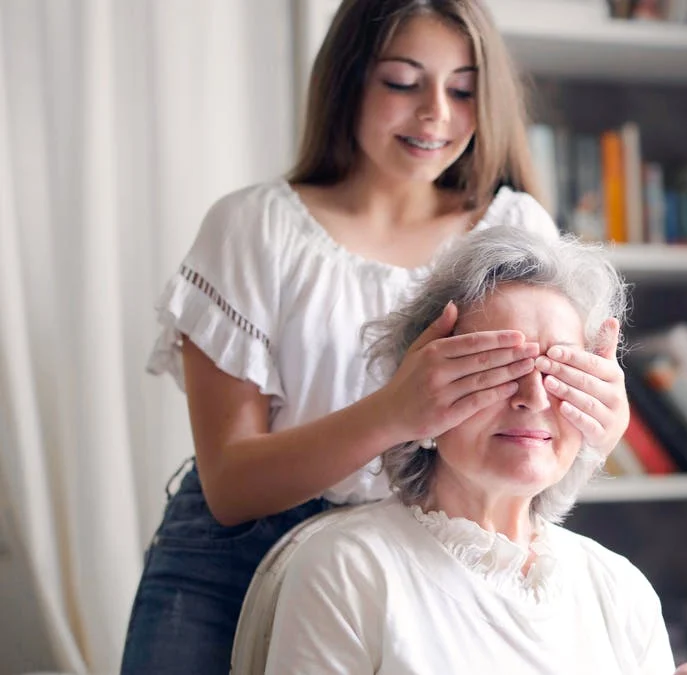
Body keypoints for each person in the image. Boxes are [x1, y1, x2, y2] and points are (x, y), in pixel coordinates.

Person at [119, 1, 632, 673]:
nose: (435, 115)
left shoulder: (515, 225)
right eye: (401, 81)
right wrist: (394, 413)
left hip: (423, 549)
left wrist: (602, 424)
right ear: (348, 81)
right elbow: (230, 485)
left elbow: (531, 436)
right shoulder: (252, 228)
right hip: (234, 556)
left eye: (463, 89)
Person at [263, 227, 687, 675]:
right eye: (496, 368)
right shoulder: (347, 571)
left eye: (560, 371)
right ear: (422, 390)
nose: (533, 397)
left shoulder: (619, 589)